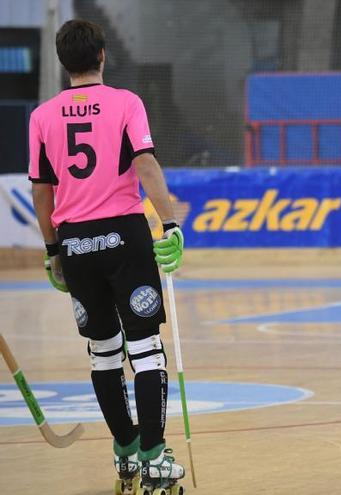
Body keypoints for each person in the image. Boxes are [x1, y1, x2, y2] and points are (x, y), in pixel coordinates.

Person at [29, 19, 185, 494]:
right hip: (123, 236)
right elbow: (144, 163)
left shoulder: (42, 115)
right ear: (102, 55)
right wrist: (171, 222)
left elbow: (41, 188)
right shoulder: (125, 103)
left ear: (62, 62)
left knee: (103, 353)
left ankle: (125, 449)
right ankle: (155, 457)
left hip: (76, 243)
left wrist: (53, 248)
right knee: (144, 348)